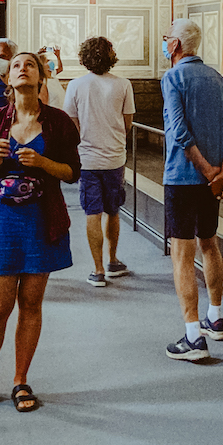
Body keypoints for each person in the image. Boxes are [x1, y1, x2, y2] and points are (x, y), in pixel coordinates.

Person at [0, 52, 81, 413]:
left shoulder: (59, 123)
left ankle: (20, 379)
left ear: (41, 76)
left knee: (31, 304)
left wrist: (44, 162)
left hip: (41, 223)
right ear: (8, 79)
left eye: (29, 64)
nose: (23, 69)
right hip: (3, 223)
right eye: (16, 65)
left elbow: (72, 172)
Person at [161, 18, 223, 362]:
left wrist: (207, 169)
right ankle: (216, 316)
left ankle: (193, 336)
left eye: (167, 39)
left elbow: (178, 130)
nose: (165, 43)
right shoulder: (217, 78)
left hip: (183, 178)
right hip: (211, 184)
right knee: (209, 243)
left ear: (177, 45)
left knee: (182, 253)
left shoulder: (173, 77)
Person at [63, 37, 135, 288]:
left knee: (92, 212)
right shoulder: (124, 84)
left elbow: (71, 124)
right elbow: (127, 124)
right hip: (115, 157)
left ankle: (98, 270)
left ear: (84, 57)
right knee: (113, 211)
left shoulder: (75, 85)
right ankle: (113, 260)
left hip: (88, 158)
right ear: (110, 56)